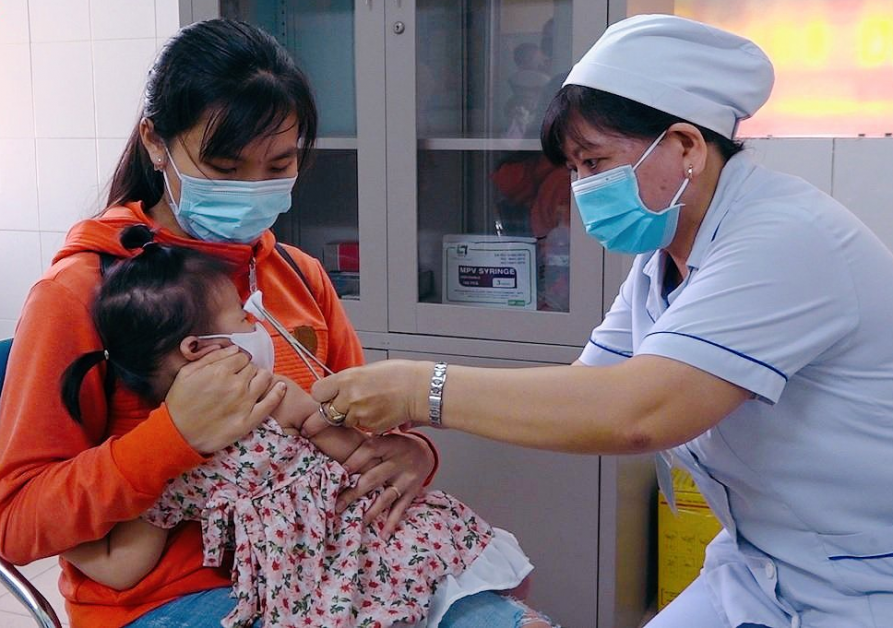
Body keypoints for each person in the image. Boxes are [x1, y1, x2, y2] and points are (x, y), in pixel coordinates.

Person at [301, 14, 893, 628]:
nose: (581, 189)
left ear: (686, 146)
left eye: (595, 162)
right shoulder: (666, 258)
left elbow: (639, 411)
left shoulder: (784, 236)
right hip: (771, 563)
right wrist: (421, 442)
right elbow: (585, 397)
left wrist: (420, 389)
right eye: (575, 168)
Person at [0, 19, 548, 628]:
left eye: (279, 164)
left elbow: (362, 426)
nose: (253, 191)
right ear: (156, 143)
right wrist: (172, 437)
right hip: (174, 600)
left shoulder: (297, 275)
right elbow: (15, 523)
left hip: (338, 568)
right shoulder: (83, 292)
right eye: (224, 167)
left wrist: (412, 454)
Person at [58, 224, 542, 628]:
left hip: (337, 560)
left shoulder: (179, 459)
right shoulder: (188, 443)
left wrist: (411, 447)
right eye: (244, 319)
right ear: (198, 349)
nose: (259, 329)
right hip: (331, 569)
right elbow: (354, 451)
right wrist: (59, 524)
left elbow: (121, 564)